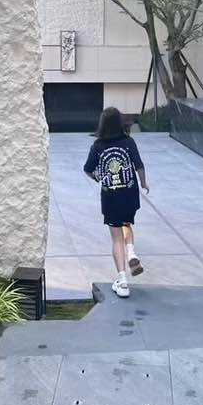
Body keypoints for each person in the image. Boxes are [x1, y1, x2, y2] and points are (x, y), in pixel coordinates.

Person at [83, 107, 149, 298]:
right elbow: (139, 165)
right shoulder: (129, 142)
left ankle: (122, 281)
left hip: (110, 196)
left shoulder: (98, 146)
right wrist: (143, 183)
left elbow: (87, 169)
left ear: (102, 124)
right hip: (129, 194)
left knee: (116, 237)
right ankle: (131, 252)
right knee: (126, 224)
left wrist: (98, 177)